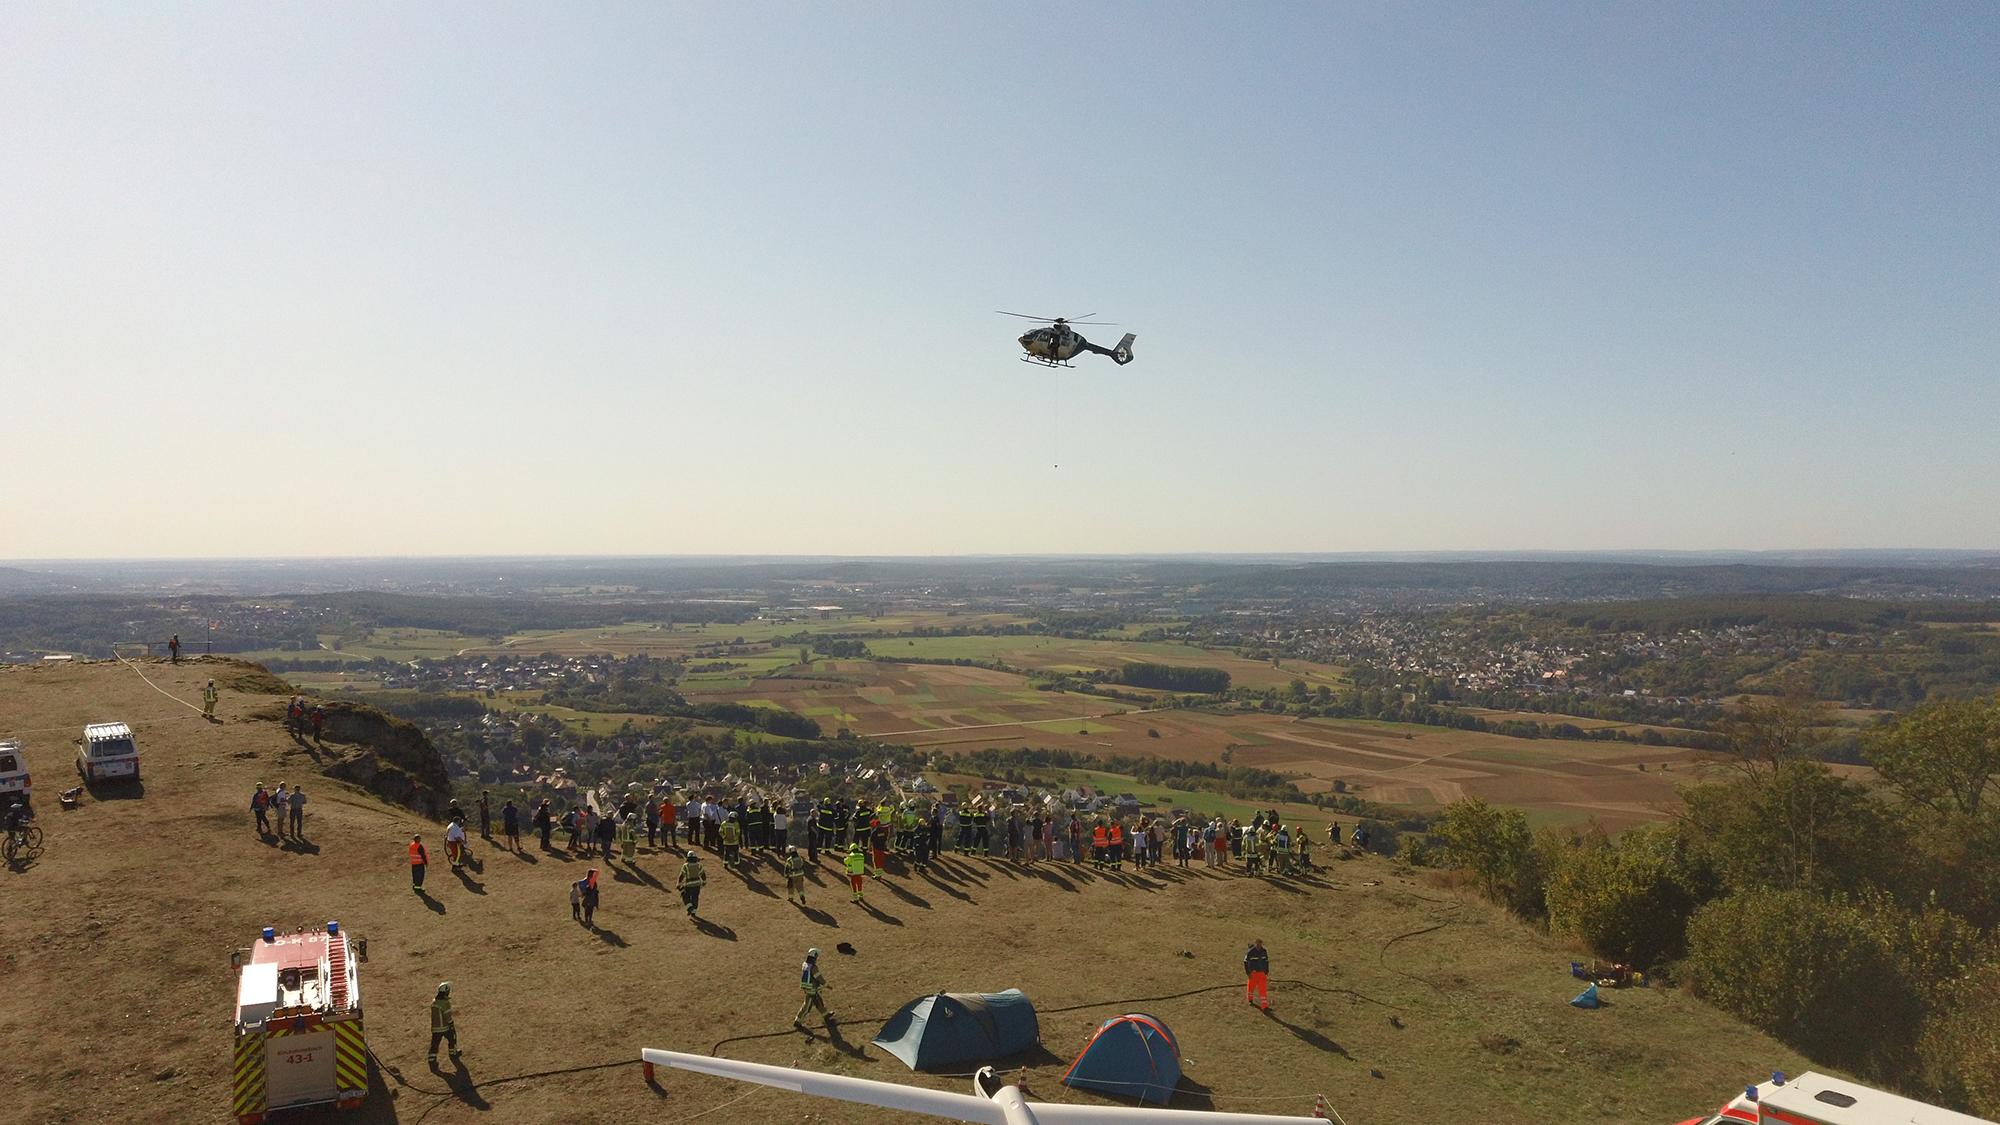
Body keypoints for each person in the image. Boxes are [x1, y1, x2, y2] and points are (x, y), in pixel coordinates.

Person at [794, 947, 831, 1030]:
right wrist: (826, 985)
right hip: (811, 988)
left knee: (818, 1001)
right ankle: (797, 1021)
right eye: (817, 956)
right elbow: (819, 978)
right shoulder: (813, 967)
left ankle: (826, 1015)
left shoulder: (805, 964)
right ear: (814, 956)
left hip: (806, 987)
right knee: (807, 1006)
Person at [428, 982, 461, 1064]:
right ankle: (452, 1053)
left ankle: (431, 1059)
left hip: (435, 1028)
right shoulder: (445, 1003)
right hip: (445, 1027)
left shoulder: (434, 1002)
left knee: (434, 1044)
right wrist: (451, 1024)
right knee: (452, 1038)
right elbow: (448, 1016)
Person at [676, 851, 707, 917]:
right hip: (697, 885)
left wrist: (678, 883)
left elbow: (681, 875)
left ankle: (690, 908)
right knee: (695, 897)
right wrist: (704, 882)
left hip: (689, 885)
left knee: (684, 895)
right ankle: (694, 912)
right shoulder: (699, 865)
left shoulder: (686, 866)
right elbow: (703, 874)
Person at [1244, 938, 1270, 1011]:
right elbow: (1245, 962)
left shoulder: (1264, 951)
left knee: (1263, 989)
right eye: (1257, 944)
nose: (1259, 945)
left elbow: (1266, 961)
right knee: (1251, 987)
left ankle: (1264, 1006)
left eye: (1260, 944)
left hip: (1262, 973)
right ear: (1255, 944)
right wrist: (1248, 973)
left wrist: (1266, 971)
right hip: (1253, 973)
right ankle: (1250, 999)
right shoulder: (1250, 952)